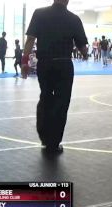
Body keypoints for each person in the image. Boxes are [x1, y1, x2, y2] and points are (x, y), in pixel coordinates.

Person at [21, 0, 88, 153]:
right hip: (64, 65)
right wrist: (85, 54)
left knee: (45, 97)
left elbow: (30, 39)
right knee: (61, 103)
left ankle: (44, 136)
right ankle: (54, 142)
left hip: (44, 64)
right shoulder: (74, 19)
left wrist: (24, 62)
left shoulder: (39, 13)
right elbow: (82, 46)